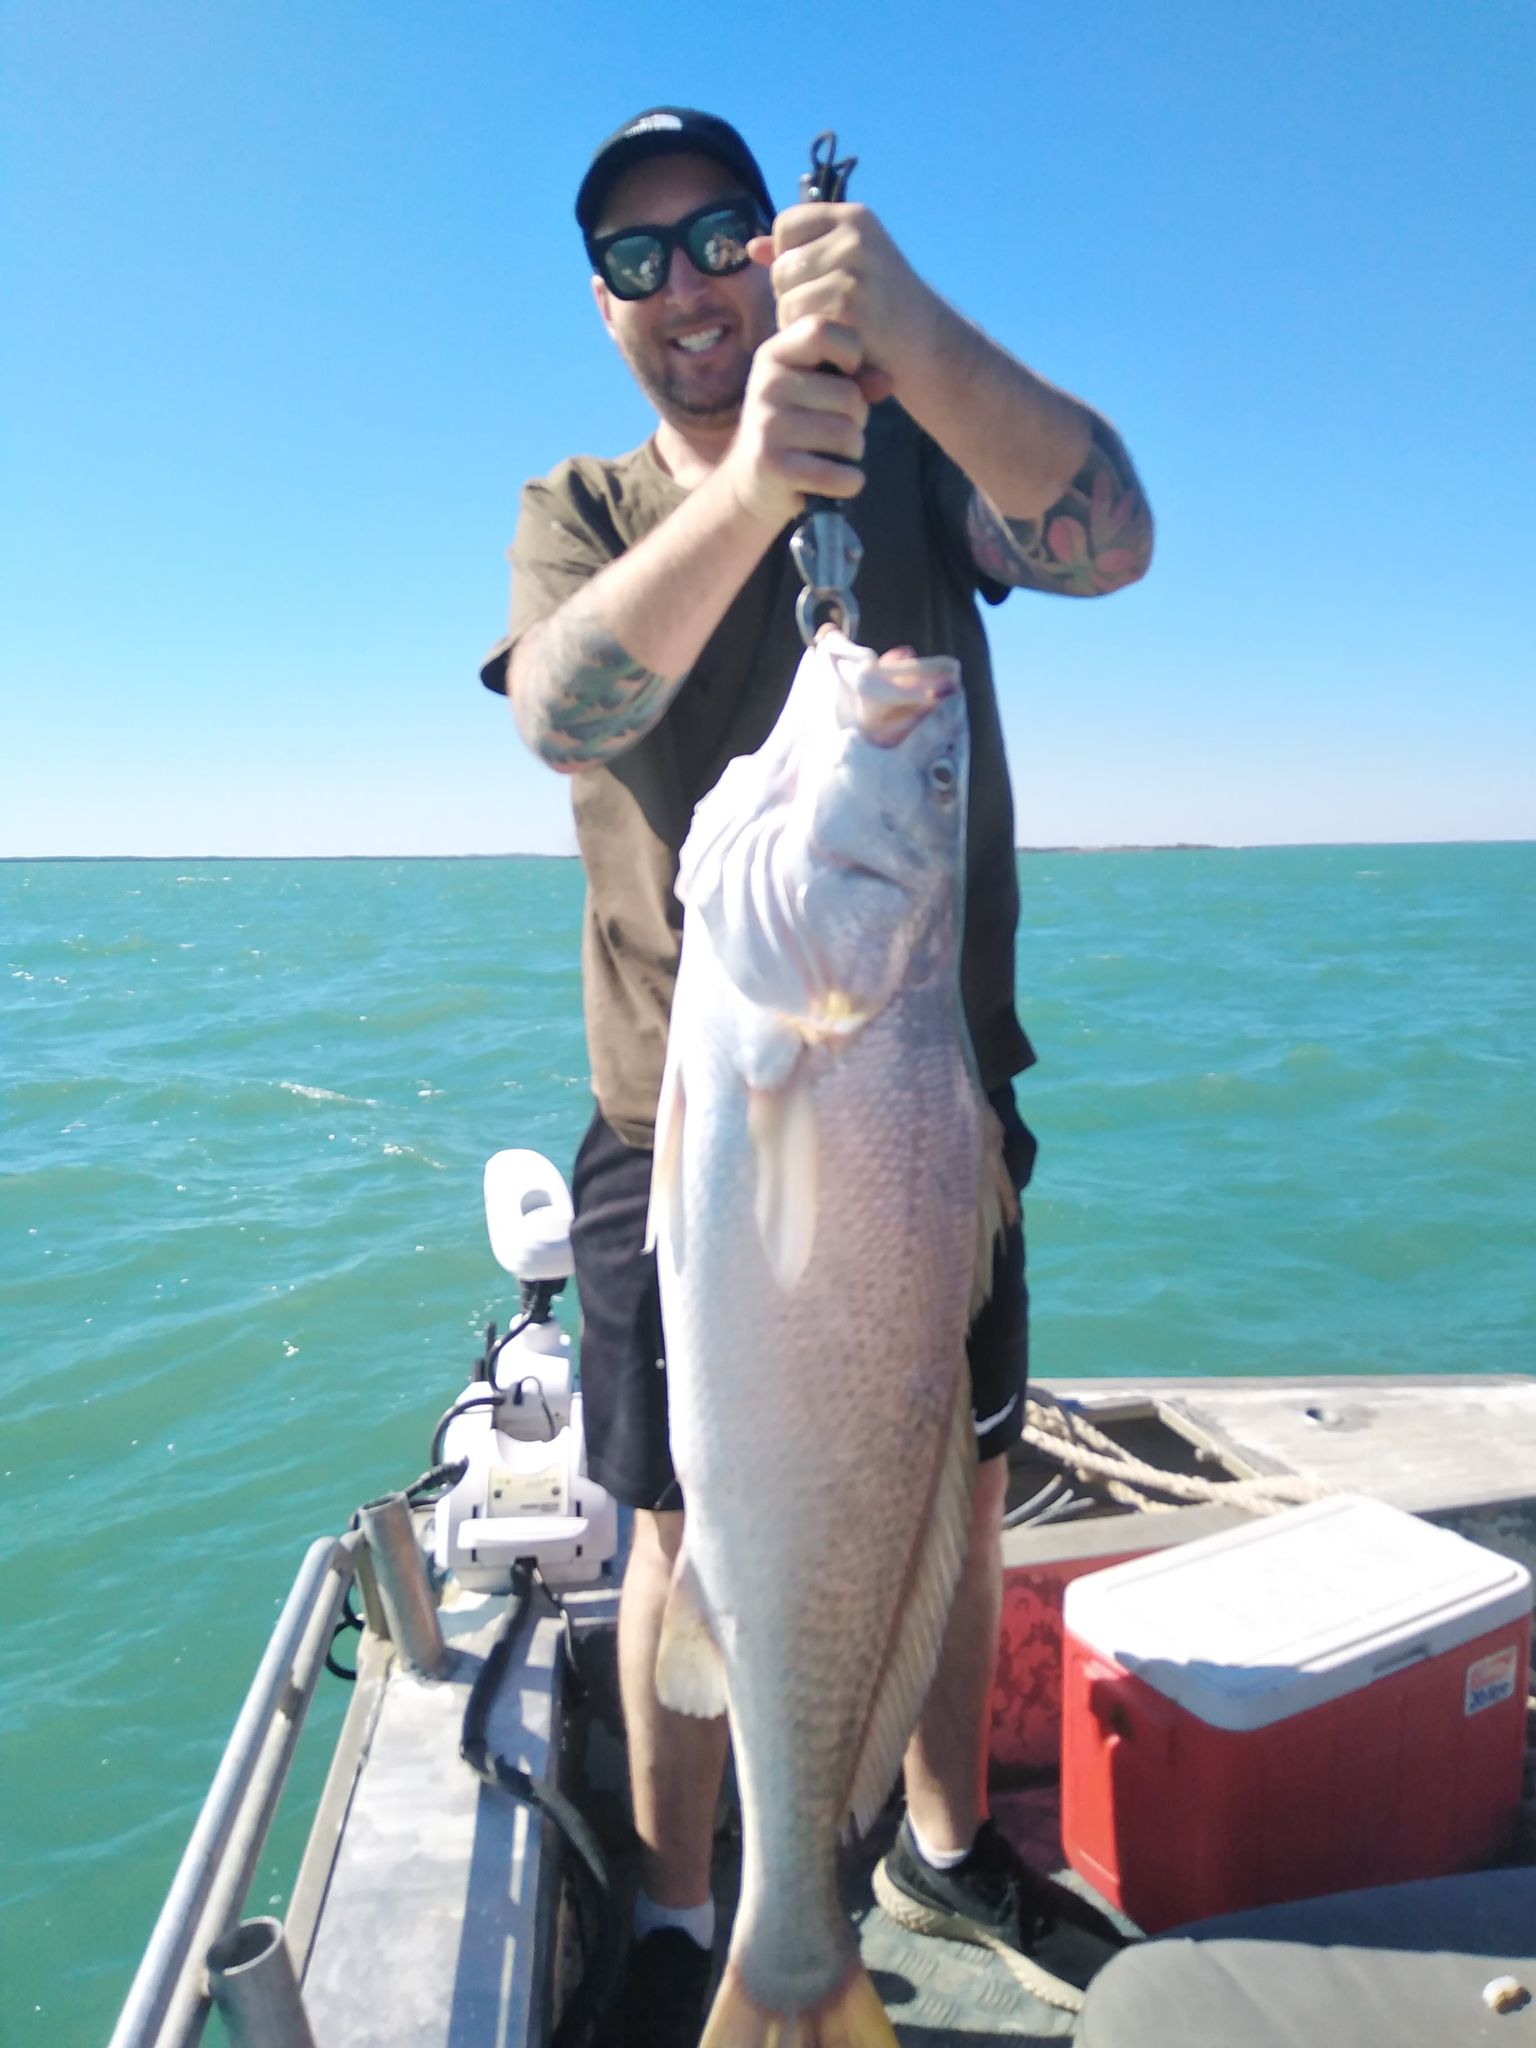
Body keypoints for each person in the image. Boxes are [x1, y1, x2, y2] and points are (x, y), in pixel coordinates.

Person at [480, 107, 1153, 2044]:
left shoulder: (920, 443)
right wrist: (759, 484)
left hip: (930, 1103)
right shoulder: (586, 506)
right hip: (679, 1124)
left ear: (784, 244)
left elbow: (1113, 534)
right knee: (689, 1533)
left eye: (723, 233)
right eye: (638, 257)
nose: (689, 282)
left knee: (955, 1483)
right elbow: (561, 702)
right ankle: (708, 1919)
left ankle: (944, 1842)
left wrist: (917, 338)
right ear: (601, 303)